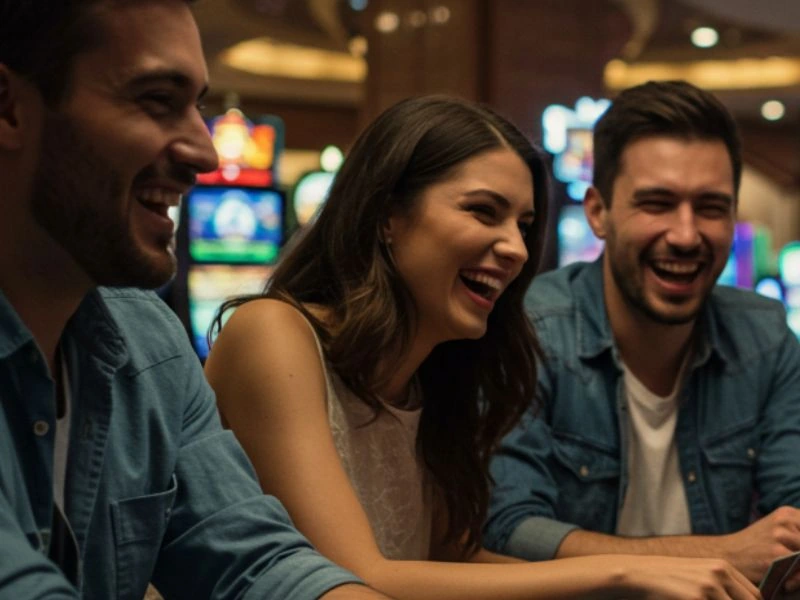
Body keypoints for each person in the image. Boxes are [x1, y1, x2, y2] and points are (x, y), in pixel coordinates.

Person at [206, 94, 759, 600]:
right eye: (483, 212)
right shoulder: (273, 334)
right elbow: (353, 577)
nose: (517, 248)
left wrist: (642, 584)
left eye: (524, 224)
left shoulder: (434, 376)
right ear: (387, 217)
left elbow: (452, 558)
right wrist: (625, 569)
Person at [0, 0, 391, 597]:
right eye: (156, 101)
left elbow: (253, 562)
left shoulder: (150, 341)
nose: (206, 154)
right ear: (8, 108)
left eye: (197, 108)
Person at [485, 79, 800, 590]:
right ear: (598, 212)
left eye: (712, 207)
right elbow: (507, 528)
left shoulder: (765, 337)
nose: (685, 234)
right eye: (657, 203)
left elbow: (793, 508)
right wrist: (718, 554)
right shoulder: (528, 332)